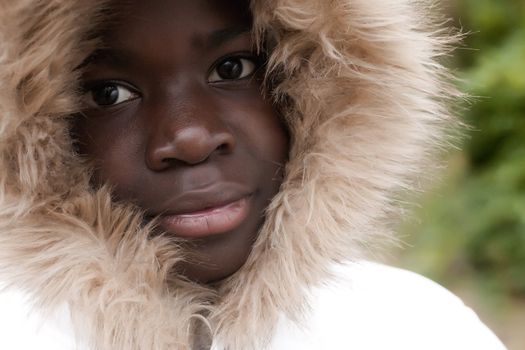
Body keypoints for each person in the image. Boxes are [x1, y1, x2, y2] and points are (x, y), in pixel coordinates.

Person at [0, 0, 507, 349]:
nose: (190, 136)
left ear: (317, 90)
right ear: (33, 138)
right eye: (109, 94)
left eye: (234, 68)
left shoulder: (416, 327)